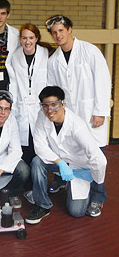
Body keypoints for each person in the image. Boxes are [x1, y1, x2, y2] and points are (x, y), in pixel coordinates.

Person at [45, 15, 111, 216]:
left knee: (95, 156)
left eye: (61, 31)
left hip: (91, 115)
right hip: (69, 118)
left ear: (70, 29)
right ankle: (67, 181)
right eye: (54, 32)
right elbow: (53, 90)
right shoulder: (54, 60)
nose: (58, 35)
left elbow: (103, 81)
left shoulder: (90, 51)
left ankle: (98, 196)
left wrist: (100, 111)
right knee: (70, 151)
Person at [25, 86, 107, 224]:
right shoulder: (42, 115)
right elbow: (39, 145)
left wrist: (97, 184)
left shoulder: (77, 125)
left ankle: (93, 193)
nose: (50, 111)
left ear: (63, 104)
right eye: (45, 106)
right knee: (37, 162)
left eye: (54, 105)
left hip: (79, 166)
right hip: (59, 161)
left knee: (77, 212)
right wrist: (60, 162)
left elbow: (100, 160)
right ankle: (42, 205)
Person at [11, 23, 54, 204]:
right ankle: (28, 188)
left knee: (41, 149)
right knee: (26, 151)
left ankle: (41, 186)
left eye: (31, 37)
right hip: (22, 110)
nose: (27, 41)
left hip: (41, 110)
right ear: (20, 40)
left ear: (37, 38)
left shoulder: (46, 55)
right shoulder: (14, 57)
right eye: (24, 38)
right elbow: (13, 84)